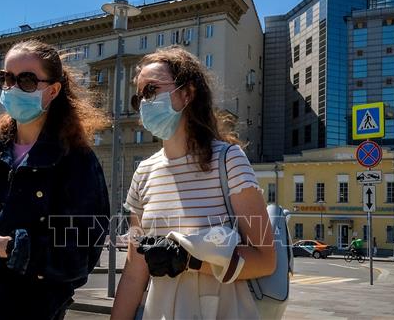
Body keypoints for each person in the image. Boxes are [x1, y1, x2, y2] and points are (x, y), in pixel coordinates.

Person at [0, 40, 111, 320]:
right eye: (6, 78)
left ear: (53, 90)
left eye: (27, 80)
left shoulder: (76, 159)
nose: (13, 88)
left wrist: (2, 247)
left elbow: (80, 254)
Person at [111, 46, 276, 319]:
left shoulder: (228, 160)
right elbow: (133, 274)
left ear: (187, 93)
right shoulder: (144, 172)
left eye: (151, 90)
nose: (143, 103)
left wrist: (189, 260)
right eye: (138, 97)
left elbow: (265, 259)